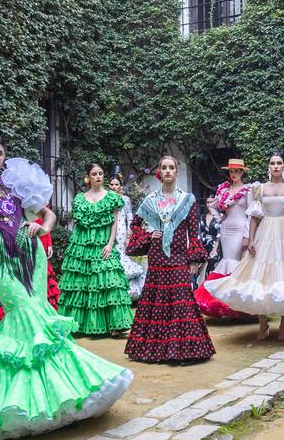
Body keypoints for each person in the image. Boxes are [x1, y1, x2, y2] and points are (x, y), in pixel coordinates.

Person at [0, 133, 132, 439]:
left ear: (4, 157)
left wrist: (40, 227)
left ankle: (59, 396)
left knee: (40, 322)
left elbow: (49, 214)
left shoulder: (15, 186)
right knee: (25, 318)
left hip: (33, 258)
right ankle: (22, 403)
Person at [203, 152, 284, 342]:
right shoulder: (260, 188)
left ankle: (283, 325)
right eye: (272, 163)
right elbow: (255, 216)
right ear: (269, 167)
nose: (275, 166)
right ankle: (263, 323)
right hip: (264, 233)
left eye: (279, 163)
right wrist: (251, 239)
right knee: (258, 276)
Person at [124, 155, 216, 363]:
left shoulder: (188, 199)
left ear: (176, 171)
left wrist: (193, 260)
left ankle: (185, 351)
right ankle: (155, 350)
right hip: (156, 256)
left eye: (171, 168)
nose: (167, 171)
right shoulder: (150, 200)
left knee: (181, 300)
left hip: (178, 256)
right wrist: (149, 236)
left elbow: (194, 232)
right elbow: (135, 225)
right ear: (159, 172)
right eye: (164, 167)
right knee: (156, 301)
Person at [57, 163, 134, 336]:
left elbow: (114, 222)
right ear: (88, 177)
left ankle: (116, 325)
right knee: (81, 285)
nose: (98, 176)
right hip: (82, 245)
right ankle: (80, 325)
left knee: (110, 280)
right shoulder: (79, 198)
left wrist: (109, 244)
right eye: (94, 174)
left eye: (100, 173)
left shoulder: (112, 197)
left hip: (103, 244)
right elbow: (77, 226)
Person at [195, 158, 253, 319]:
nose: (233, 174)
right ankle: (223, 302)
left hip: (241, 228)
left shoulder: (248, 190)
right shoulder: (223, 189)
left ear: (242, 172)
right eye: (231, 171)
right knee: (226, 260)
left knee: (235, 263)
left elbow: (251, 214)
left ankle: (239, 304)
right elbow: (212, 206)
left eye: (236, 171)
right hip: (226, 228)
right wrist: (220, 219)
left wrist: (248, 236)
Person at [108, 176, 146, 302]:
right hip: (107, 231)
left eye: (116, 184)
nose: (114, 187)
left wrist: (129, 235)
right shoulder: (105, 199)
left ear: (121, 186)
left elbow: (130, 218)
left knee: (122, 257)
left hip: (121, 232)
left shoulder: (125, 200)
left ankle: (127, 293)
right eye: (112, 184)